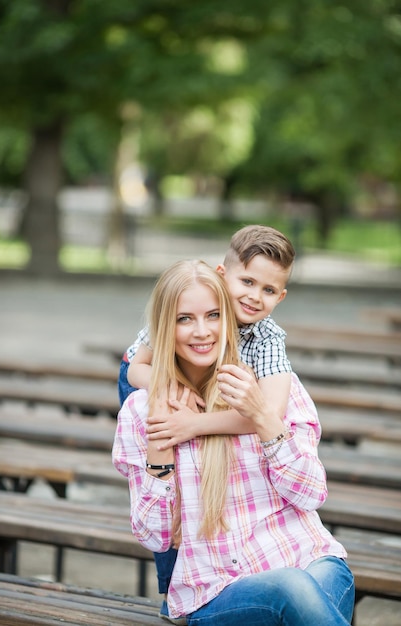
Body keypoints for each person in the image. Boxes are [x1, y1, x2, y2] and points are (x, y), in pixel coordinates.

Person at [112, 259, 355, 625]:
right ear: (165, 327)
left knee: (304, 586)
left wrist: (262, 417)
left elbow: (311, 495)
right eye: (184, 319)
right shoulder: (142, 410)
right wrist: (159, 450)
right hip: (216, 589)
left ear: (229, 317)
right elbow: (155, 537)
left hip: (308, 557)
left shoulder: (274, 388)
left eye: (213, 315)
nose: (202, 332)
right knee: (290, 589)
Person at [117, 225, 295, 622]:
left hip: (213, 403)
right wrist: (167, 389)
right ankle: (172, 584)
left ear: (280, 297)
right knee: (166, 486)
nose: (253, 296)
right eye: (246, 281)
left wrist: (195, 424)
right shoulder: (193, 302)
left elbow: (268, 415)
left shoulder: (265, 338)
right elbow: (135, 369)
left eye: (268, 290)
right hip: (151, 376)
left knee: (205, 482)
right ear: (222, 274)